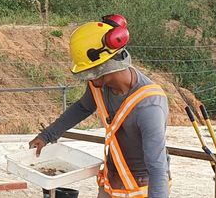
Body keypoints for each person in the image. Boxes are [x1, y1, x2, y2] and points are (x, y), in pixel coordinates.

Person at [28, 15, 170, 198]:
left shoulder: (148, 106)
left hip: (142, 188)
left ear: (104, 67)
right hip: (111, 181)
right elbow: (83, 107)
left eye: (88, 73)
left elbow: (157, 167)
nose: (87, 78)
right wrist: (47, 135)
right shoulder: (100, 86)